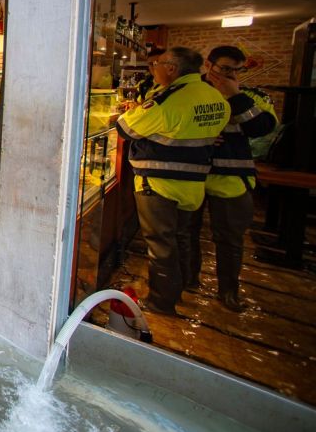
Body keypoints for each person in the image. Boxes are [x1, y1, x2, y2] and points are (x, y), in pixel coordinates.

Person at [116, 46, 229, 315]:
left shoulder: (169, 99)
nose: (153, 68)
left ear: (172, 68)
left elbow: (125, 127)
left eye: (157, 64)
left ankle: (161, 302)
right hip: (195, 182)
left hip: (160, 182)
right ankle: (188, 282)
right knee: (184, 236)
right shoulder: (214, 96)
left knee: (161, 244)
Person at [187, 46, 276, 312]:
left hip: (232, 176)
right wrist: (198, 135)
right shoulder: (189, 91)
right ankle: (189, 280)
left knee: (229, 238)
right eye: (225, 68)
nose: (230, 74)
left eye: (237, 70)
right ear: (209, 64)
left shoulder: (251, 95)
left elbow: (261, 128)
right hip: (191, 174)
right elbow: (171, 122)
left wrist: (234, 95)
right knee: (186, 233)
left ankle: (228, 290)